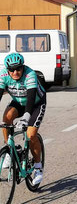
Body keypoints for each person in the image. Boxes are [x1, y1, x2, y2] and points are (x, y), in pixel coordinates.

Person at [0, 53, 46, 185]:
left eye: (18, 69)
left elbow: (31, 97)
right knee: (6, 119)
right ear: (7, 69)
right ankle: (10, 150)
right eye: (12, 70)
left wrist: (26, 116)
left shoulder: (29, 74)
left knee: (31, 135)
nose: (15, 72)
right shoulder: (3, 75)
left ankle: (38, 167)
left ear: (23, 67)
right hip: (18, 102)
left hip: (36, 103)